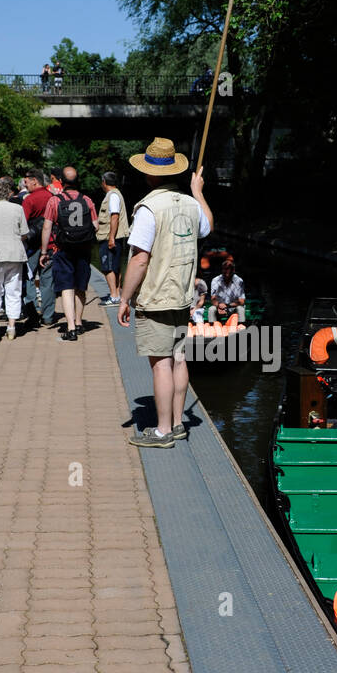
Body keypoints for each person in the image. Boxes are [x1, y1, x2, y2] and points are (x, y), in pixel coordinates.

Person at [118, 137, 213, 447]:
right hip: (182, 295)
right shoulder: (189, 203)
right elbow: (208, 227)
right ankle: (177, 422)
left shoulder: (148, 208)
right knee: (179, 359)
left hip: (156, 297)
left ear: (149, 174)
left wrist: (124, 297)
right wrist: (198, 193)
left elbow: (140, 259)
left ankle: (162, 432)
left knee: (161, 363)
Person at [39, 167, 97, 342]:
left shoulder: (54, 201)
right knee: (80, 286)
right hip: (83, 249)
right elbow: (96, 226)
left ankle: (70, 327)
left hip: (62, 249)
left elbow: (47, 227)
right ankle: (79, 323)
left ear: (61, 182)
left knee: (66, 287)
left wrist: (43, 251)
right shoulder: (87, 200)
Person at [0, 177, 29, 340]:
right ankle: (11, 326)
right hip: (14, 252)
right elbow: (24, 232)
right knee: (14, 290)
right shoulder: (17, 208)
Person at [21, 168, 57, 327]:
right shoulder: (52, 197)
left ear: (34, 180)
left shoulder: (30, 200)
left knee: (29, 278)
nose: (25, 184)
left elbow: (22, 224)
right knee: (47, 281)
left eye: (26, 181)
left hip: (33, 247)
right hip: (51, 244)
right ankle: (48, 316)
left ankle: (33, 312)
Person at [96, 171, 129, 304]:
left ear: (104, 182)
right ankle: (116, 294)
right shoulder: (116, 194)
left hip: (109, 237)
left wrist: (111, 238)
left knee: (107, 267)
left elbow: (114, 217)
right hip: (115, 237)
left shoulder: (113, 196)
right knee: (115, 266)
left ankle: (114, 296)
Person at [208, 255, 245, 324]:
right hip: (219, 307)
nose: (226, 271)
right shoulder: (216, 280)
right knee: (211, 309)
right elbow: (213, 299)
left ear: (233, 270)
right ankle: (212, 330)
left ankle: (241, 330)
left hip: (233, 308)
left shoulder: (239, 281)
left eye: (228, 268)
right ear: (222, 269)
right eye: (224, 268)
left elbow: (241, 301)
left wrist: (227, 306)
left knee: (241, 309)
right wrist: (219, 305)